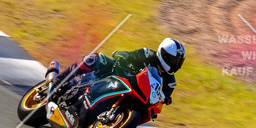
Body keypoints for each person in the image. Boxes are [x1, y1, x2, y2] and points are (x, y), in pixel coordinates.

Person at [48, 38, 185, 107]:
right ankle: (60, 79)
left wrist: (165, 99)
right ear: (164, 54)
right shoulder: (147, 54)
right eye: (173, 60)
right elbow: (127, 54)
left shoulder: (170, 81)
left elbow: (164, 97)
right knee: (95, 59)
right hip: (117, 74)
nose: (175, 65)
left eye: (178, 62)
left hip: (134, 94)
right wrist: (121, 58)